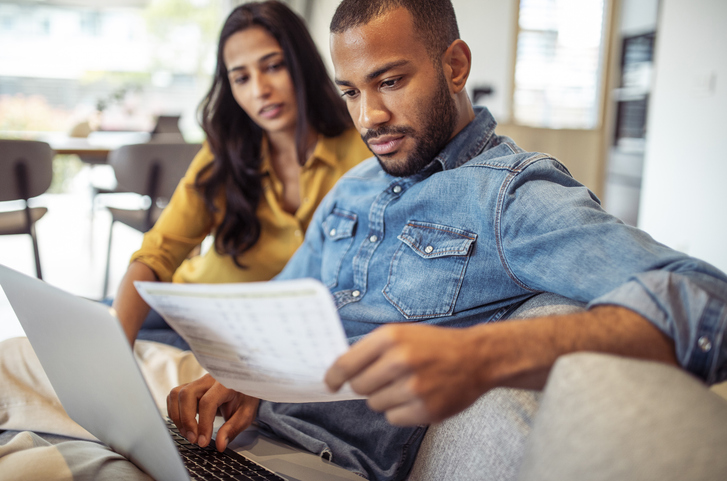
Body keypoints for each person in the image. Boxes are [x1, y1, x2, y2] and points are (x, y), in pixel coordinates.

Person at [167, 1, 727, 480]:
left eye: (389, 81)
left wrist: (482, 355)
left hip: (322, 462)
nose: (370, 117)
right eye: (351, 92)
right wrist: (240, 373)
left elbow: (708, 302)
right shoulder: (353, 186)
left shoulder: (511, 196)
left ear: (454, 66)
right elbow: (280, 309)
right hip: (240, 441)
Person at [112, 1, 370, 348]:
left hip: (266, 336)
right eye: (241, 77)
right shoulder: (224, 153)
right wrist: (114, 349)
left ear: (303, 65)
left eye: (274, 66)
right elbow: (158, 252)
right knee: (71, 341)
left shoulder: (363, 150)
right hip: (188, 307)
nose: (259, 90)